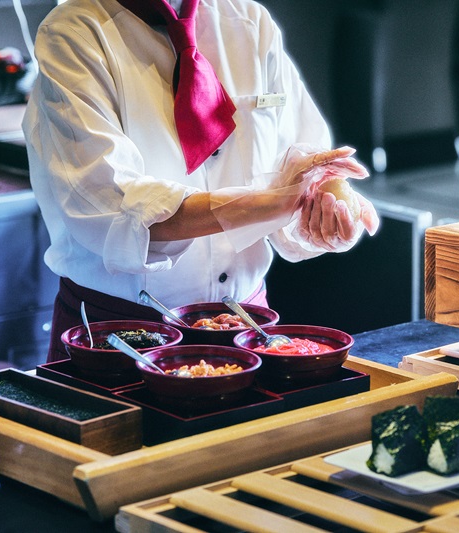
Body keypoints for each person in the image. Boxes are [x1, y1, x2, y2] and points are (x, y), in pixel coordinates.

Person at [22, 0, 379, 362]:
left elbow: (302, 153)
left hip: (247, 330)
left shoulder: (248, 20)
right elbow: (111, 204)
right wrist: (271, 203)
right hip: (117, 340)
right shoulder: (72, 33)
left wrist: (328, 206)